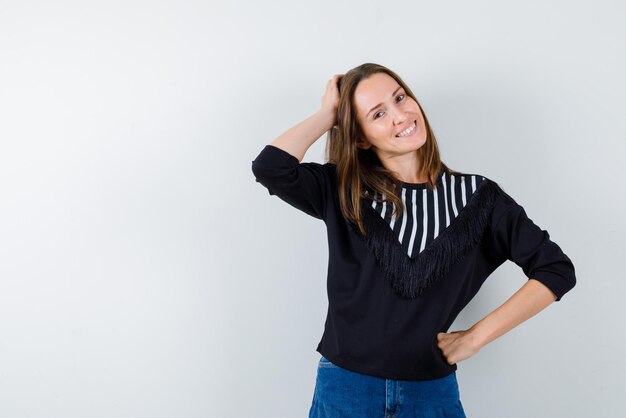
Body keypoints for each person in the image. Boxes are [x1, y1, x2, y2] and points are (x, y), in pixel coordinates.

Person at [250, 63, 576, 418]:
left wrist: (475, 337)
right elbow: (271, 168)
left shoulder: (478, 197)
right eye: (378, 113)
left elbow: (555, 269)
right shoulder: (342, 189)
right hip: (346, 388)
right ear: (360, 137)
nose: (400, 115)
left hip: (431, 392)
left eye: (400, 97)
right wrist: (329, 114)